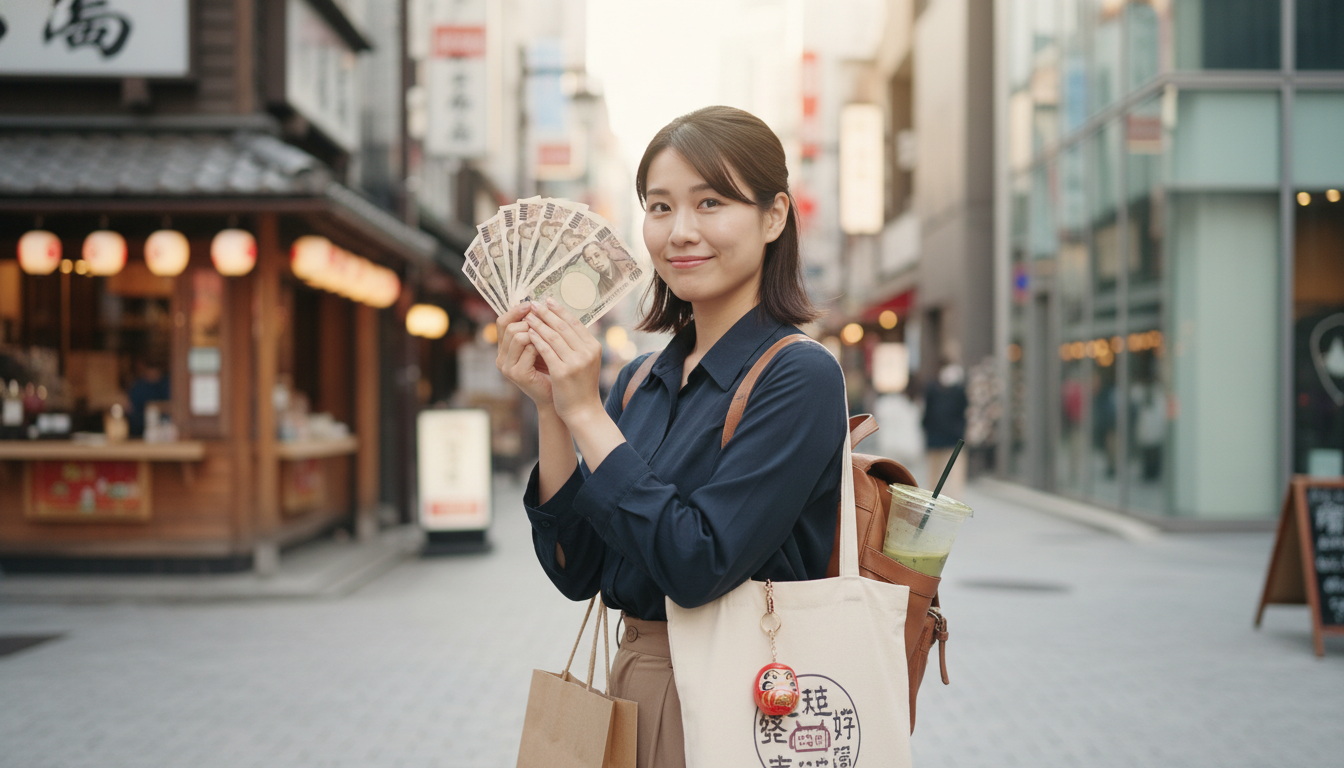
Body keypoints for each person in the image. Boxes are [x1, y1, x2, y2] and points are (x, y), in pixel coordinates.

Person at [495, 106, 846, 768]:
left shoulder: (801, 375)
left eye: (710, 202)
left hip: (739, 694)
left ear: (774, 217)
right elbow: (579, 570)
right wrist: (552, 409)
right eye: (659, 207)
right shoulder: (636, 381)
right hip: (632, 684)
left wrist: (587, 415)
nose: (681, 232)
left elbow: (697, 564)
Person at [922, 359, 968, 499]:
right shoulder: (957, 391)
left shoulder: (934, 389)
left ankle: (936, 495)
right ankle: (949, 495)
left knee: (939, 469)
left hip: (942, 436)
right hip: (949, 436)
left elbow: (927, 413)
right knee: (949, 468)